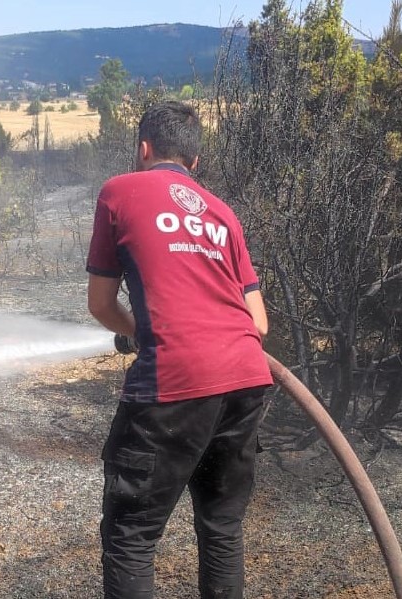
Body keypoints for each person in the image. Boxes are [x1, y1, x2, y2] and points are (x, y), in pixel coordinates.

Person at [85, 101, 273, 599]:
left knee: (132, 536)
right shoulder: (223, 214)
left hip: (175, 380)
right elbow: (259, 322)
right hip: (246, 378)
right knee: (222, 528)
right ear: (195, 162)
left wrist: (138, 332)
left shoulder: (119, 191)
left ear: (143, 149)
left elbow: (102, 305)